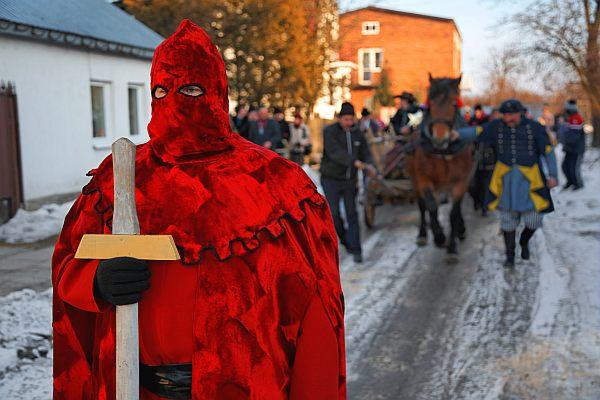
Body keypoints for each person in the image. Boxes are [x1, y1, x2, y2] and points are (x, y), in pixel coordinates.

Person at [52, 20, 346, 400]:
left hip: (243, 388)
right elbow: (67, 265)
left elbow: (317, 311)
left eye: (191, 89)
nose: (175, 102)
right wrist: (96, 282)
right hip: (140, 390)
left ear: (217, 92)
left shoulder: (277, 184)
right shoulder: (119, 177)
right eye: (162, 90)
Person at [455, 99, 558, 268]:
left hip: (531, 179)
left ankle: (524, 242)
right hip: (504, 179)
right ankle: (510, 255)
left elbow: (548, 151)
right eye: (504, 114)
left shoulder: (535, 127)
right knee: (507, 220)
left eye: (510, 114)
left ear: (520, 113)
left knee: (533, 220)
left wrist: (553, 175)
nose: (507, 118)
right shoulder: (496, 126)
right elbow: (478, 131)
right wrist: (457, 134)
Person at [320, 102, 374, 263]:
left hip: (350, 181)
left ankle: (357, 249)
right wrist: (354, 162)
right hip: (331, 179)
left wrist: (369, 164)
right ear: (339, 119)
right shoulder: (329, 132)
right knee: (335, 214)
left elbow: (366, 152)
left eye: (351, 119)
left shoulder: (358, 133)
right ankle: (344, 240)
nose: (349, 123)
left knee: (352, 213)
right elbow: (334, 152)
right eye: (346, 119)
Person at [468, 104, 495, 215]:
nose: (478, 114)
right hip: (474, 158)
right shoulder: (471, 121)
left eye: (479, 111)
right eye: (476, 111)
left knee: (485, 184)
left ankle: (484, 206)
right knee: (474, 184)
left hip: (487, 158)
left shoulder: (487, 123)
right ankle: (476, 202)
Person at [558, 99, 585, 190]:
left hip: (576, 149)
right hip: (569, 149)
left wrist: (563, 138)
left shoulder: (577, 118)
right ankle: (570, 182)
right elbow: (563, 131)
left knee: (573, 168)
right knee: (565, 166)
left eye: (566, 109)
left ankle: (578, 184)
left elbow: (573, 136)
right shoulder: (568, 117)